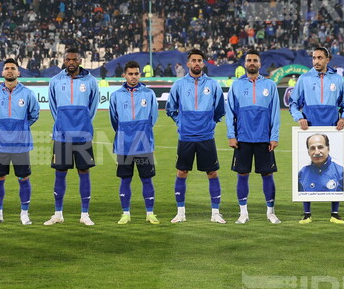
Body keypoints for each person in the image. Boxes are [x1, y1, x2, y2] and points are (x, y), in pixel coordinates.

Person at [288, 46, 344, 224]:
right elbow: (293, 103)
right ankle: (307, 214)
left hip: (332, 129)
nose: (316, 61)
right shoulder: (304, 79)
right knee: (307, 171)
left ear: (327, 59)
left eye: (320, 58)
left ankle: (334, 213)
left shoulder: (337, 80)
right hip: (311, 130)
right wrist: (299, 118)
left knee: (334, 172)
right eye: (314, 58)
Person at [166, 48, 226, 223]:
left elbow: (220, 110)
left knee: (212, 173)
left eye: (200, 60)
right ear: (188, 63)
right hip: (186, 136)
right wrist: (181, 123)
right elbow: (170, 109)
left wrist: (210, 124)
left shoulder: (213, 85)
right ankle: (181, 213)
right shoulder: (179, 85)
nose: (197, 63)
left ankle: (215, 213)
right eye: (193, 60)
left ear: (203, 63)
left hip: (206, 136)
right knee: (182, 172)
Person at [44, 50, 99, 226]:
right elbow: (53, 107)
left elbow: (93, 106)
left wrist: (83, 122)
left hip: (82, 134)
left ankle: (85, 214)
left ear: (80, 61)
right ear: (64, 60)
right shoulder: (55, 81)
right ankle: (58, 213)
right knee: (60, 172)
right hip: (62, 135)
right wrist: (61, 123)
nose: (71, 62)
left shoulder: (90, 81)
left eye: (74, 59)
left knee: (84, 171)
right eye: (68, 59)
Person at [227, 50, 281, 224]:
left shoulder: (270, 85)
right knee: (242, 175)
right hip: (242, 138)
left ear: (260, 64)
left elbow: (275, 114)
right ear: (244, 64)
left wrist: (274, 136)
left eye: (255, 60)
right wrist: (231, 135)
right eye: (249, 60)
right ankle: (243, 213)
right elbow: (230, 113)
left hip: (264, 138)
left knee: (267, 175)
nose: (252, 63)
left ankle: (270, 212)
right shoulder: (236, 85)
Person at [0, 58, 39, 226]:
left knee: (23, 178)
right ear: (2, 73)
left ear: (18, 72)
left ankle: (24, 214)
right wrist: (5, 127)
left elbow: (34, 114)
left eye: (13, 68)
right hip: (1, 143)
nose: (9, 71)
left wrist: (20, 127)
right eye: (7, 68)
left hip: (21, 144)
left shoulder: (27, 93)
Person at [109, 61, 159, 225]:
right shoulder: (116, 95)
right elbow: (114, 120)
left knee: (147, 179)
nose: (133, 77)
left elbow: (153, 117)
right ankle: (125, 213)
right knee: (125, 179)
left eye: (136, 73)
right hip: (124, 144)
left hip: (143, 144)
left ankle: (150, 213)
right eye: (130, 74)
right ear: (124, 75)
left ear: (140, 74)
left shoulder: (149, 94)